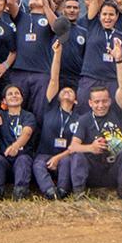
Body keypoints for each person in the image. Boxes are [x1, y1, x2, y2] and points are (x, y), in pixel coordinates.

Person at [7, 0, 58, 122]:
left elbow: (56, 27)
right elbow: (10, 2)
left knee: (39, 110)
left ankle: (37, 139)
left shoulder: (48, 17)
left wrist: (46, 3)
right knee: (17, 109)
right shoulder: (22, 16)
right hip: (19, 71)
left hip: (41, 72)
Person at [76, 0, 122, 114]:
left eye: (111, 15)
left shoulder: (120, 35)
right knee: (84, 113)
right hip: (90, 78)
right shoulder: (93, 25)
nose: (108, 18)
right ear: (99, 15)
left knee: (112, 116)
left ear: (117, 16)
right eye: (105, 14)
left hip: (112, 80)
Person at [68, 71, 122, 198]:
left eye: (104, 101)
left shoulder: (117, 113)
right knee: (78, 156)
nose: (101, 105)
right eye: (96, 102)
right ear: (90, 103)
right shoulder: (84, 120)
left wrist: (119, 61)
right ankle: (79, 193)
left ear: (110, 101)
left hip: (114, 167)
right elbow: (72, 147)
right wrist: (91, 147)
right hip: (94, 169)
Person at [33, 41, 78, 199]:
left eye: (70, 91)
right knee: (38, 164)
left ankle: (62, 191)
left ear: (76, 100)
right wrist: (57, 53)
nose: (66, 92)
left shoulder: (79, 118)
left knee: (67, 162)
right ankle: (50, 191)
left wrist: (59, 157)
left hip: (66, 156)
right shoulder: (50, 108)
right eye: (63, 90)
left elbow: (77, 146)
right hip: (45, 154)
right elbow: (54, 79)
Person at [0, 84, 37, 199]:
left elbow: (27, 132)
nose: (14, 96)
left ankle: (20, 193)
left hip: (23, 158)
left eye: (17, 93)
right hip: (5, 159)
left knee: (23, 159)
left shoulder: (28, 116)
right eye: (10, 94)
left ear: (22, 98)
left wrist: (16, 146)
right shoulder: (0, 115)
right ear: (4, 100)